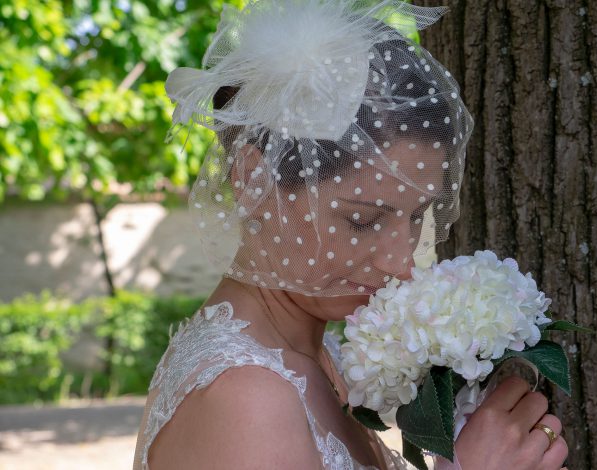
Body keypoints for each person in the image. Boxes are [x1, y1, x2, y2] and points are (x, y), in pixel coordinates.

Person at [132, 1, 569, 469]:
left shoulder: (328, 360)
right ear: (253, 181)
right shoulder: (245, 395)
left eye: (417, 215)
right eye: (364, 220)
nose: (401, 263)